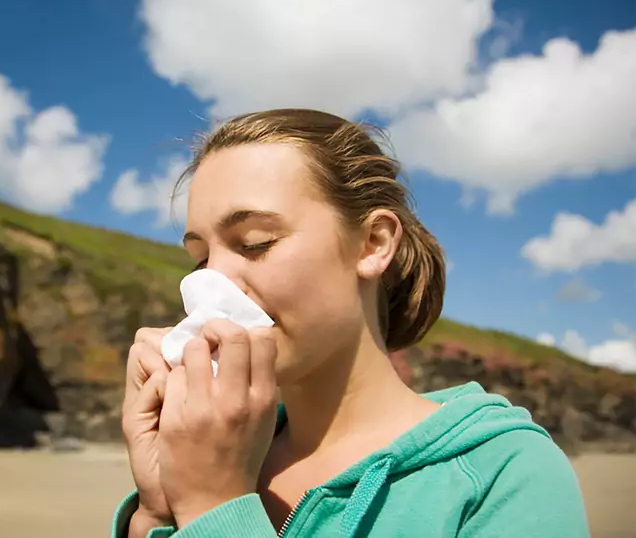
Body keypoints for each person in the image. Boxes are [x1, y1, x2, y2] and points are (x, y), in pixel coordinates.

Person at [113, 109, 591, 538]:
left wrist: (215, 508)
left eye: (256, 241)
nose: (211, 286)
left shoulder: (503, 476)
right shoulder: (210, 457)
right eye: (200, 260)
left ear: (373, 243)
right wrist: (158, 513)